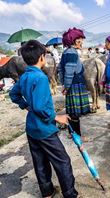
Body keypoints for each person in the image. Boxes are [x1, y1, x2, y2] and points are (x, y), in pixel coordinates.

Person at [9, 40, 78, 198]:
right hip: (44, 129)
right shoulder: (40, 78)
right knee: (63, 161)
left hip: (31, 128)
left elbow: (13, 94)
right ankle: (70, 194)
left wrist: (26, 106)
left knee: (40, 162)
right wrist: (56, 117)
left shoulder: (25, 76)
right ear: (41, 57)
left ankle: (47, 192)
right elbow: (40, 107)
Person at [59, 27, 90, 141]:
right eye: (80, 39)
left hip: (71, 85)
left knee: (72, 112)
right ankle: (77, 136)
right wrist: (67, 87)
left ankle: (73, 134)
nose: (82, 42)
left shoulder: (66, 52)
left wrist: (64, 84)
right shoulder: (72, 53)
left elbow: (61, 70)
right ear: (75, 40)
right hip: (74, 85)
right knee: (75, 113)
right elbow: (69, 72)